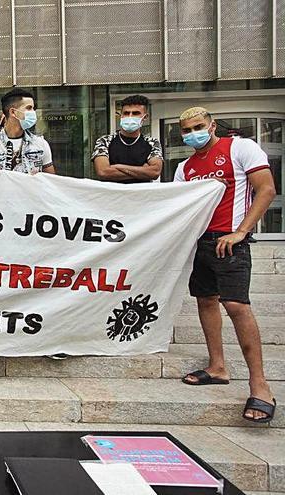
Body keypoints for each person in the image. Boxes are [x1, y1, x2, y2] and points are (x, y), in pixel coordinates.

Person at [174, 106, 277, 423]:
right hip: (201, 242)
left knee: (236, 305)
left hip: (231, 241)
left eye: (198, 127)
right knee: (206, 301)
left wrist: (241, 231)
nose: (193, 134)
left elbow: (267, 189)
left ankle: (260, 385)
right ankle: (217, 366)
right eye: (187, 130)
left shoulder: (240, 147)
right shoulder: (185, 167)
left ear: (212, 124)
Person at [0, 88, 55, 175]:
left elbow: (50, 180)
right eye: (29, 108)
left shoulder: (41, 144)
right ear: (13, 112)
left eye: (33, 108)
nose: (33, 112)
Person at [92, 94, 163, 183]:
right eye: (126, 113)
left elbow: (154, 172)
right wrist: (142, 171)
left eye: (135, 113)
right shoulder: (105, 141)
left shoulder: (152, 143)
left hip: (141, 196)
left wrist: (117, 166)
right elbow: (103, 172)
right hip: (113, 196)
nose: (130, 116)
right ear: (121, 115)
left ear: (145, 117)